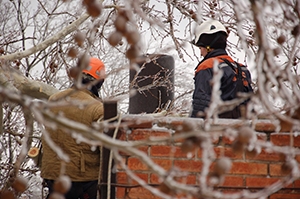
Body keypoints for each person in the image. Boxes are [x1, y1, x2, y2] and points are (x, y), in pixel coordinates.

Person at [41, 57, 105, 199]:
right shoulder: (97, 107)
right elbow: (105, 146)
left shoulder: (53, 99)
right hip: (82, 178)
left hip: (53, 174)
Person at [190, 19, 253, 118]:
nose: (200, 53)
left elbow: (200, 105)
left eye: (200, 48)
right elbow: (250, 106)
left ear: (207, 47)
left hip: (215, 128)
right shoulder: (242, 69)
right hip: (240, 129)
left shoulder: (207, 66)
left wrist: (191, 129)